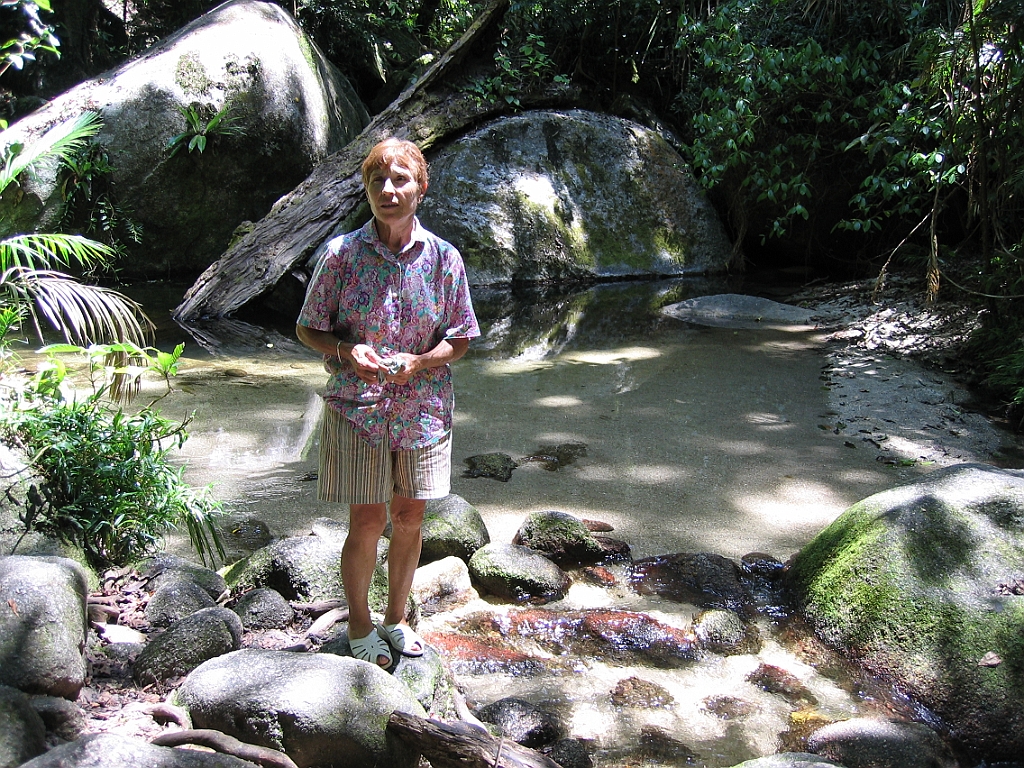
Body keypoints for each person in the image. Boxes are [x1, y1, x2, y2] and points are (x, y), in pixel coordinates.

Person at [295, 137, 480, 668]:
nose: (388, 190)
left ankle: (396, 619)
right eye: (377, 180)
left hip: (423, 411)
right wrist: (347, 351)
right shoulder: (340, 255)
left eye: (400, 179)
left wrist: (421, 361)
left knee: (409, 516)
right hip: (357, 407)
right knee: (367, 521)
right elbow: (309, 329)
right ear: (367, 189)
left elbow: (461, 337)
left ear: (420, 188)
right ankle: (358, 624)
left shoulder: (445, 259)